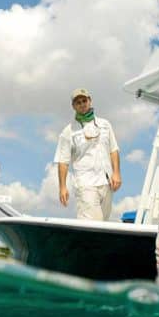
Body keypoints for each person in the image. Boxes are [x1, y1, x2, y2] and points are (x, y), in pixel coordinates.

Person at [54, 88, 121, 220]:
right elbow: (63, 162)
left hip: (106, 182)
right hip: (85, 183)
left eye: (84, 100)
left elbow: (113, 150)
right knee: (91, 223)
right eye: (78, 102)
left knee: (104, 224)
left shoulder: (105, 124)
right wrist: (62, 187)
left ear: (90, 101)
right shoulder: (68, 131)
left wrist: (117, 173)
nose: (82, 104)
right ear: (73, 106)